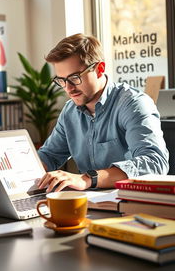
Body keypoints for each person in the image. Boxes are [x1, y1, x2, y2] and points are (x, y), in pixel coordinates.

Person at [37, 33, 169, 193]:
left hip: (129, 202)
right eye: (62, 80)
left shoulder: (133, 104)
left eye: (74, 77)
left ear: (100, 69)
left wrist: (87, 179)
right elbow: (49, 155)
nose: (68, 88)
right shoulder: (69, 112)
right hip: (89, 204)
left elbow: (155, 162)